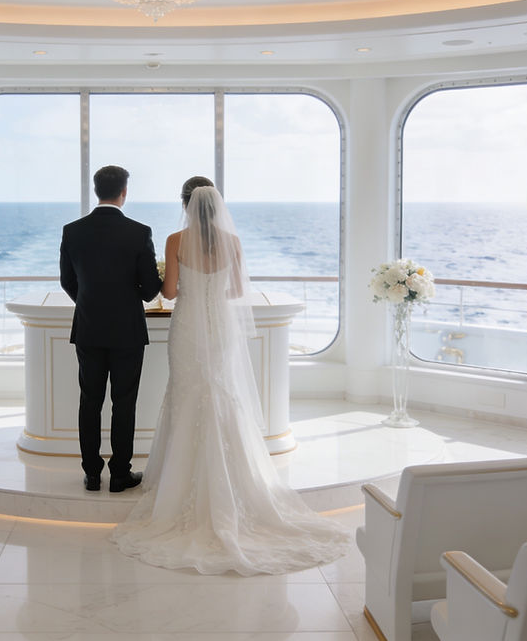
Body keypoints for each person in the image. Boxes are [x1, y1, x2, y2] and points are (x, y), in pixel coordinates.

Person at [112, 176, 348, 575]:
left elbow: (168, 293)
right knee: (221, 393)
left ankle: (180, 482)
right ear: (217, 205)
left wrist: (185, 285)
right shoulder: (232, 242)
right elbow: (237, 291)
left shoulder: (174, 241)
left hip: (187, 327)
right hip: (219, 327)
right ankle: (236, 481)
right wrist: (212, 295)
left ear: (185, 204)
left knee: (187, 393)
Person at [60, 165, 162, 493]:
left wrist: (89, 302)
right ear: (124, 192)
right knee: (124, 402)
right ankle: (120, 473)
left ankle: (91, 473)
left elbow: (67, 281)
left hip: (89, 328)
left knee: (89, 401)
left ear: (96, 191)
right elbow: (149, 291)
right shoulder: (139, 232)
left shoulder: (73, 230)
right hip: (127, 330)